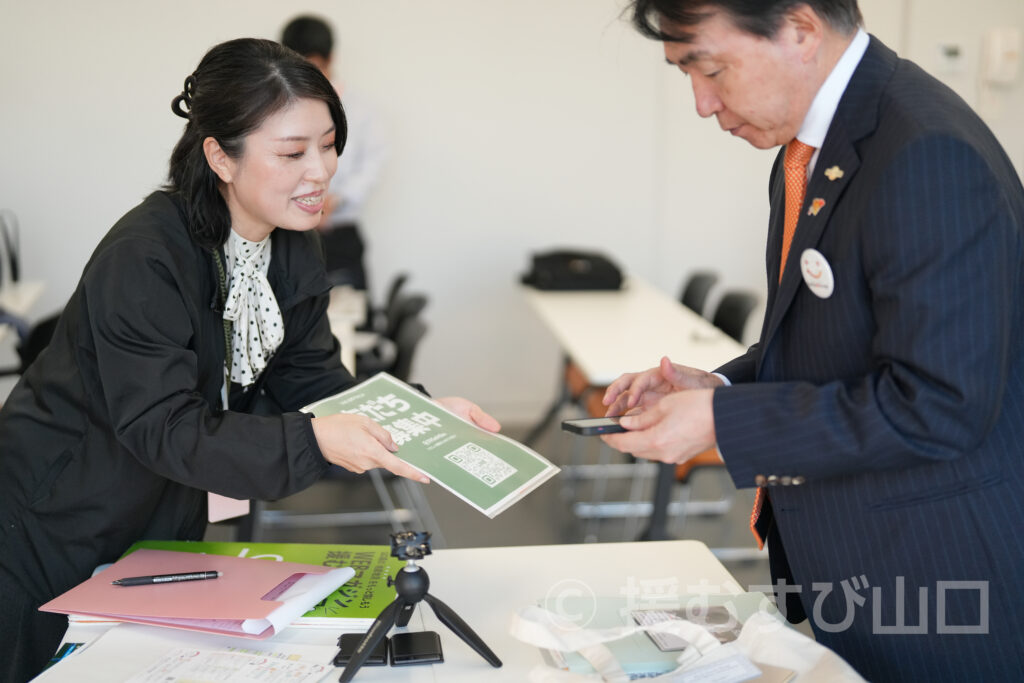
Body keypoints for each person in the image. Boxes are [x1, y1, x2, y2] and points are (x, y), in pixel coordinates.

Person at [0, 38, 498, 683]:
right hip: (53, 511)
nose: (320, 171)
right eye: (292, 153)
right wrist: (318, 441)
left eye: (328, 144)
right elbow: (163, 424)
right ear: (220, 157)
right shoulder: (146, 254)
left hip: (161, 505)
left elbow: (313, 378)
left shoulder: (290, 244)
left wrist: (417, 417)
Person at [601, 1, 1024, 680]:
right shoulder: (815, 148)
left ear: (799, 27)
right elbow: (828, 339)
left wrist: (720, 422)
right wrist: (720, 386)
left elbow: (940, 404)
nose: (703, 104)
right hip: (861, 559)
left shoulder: (925, 151)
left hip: (942, 574)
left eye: (710, 69)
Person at [281, 15, 387, 291]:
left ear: (330, 60)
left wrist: (333, 201)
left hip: (339, 237)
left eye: (313, 67)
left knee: (351, 322)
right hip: (289, 236)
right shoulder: (276, 110)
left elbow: (371, 167)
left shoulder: (361, 111)